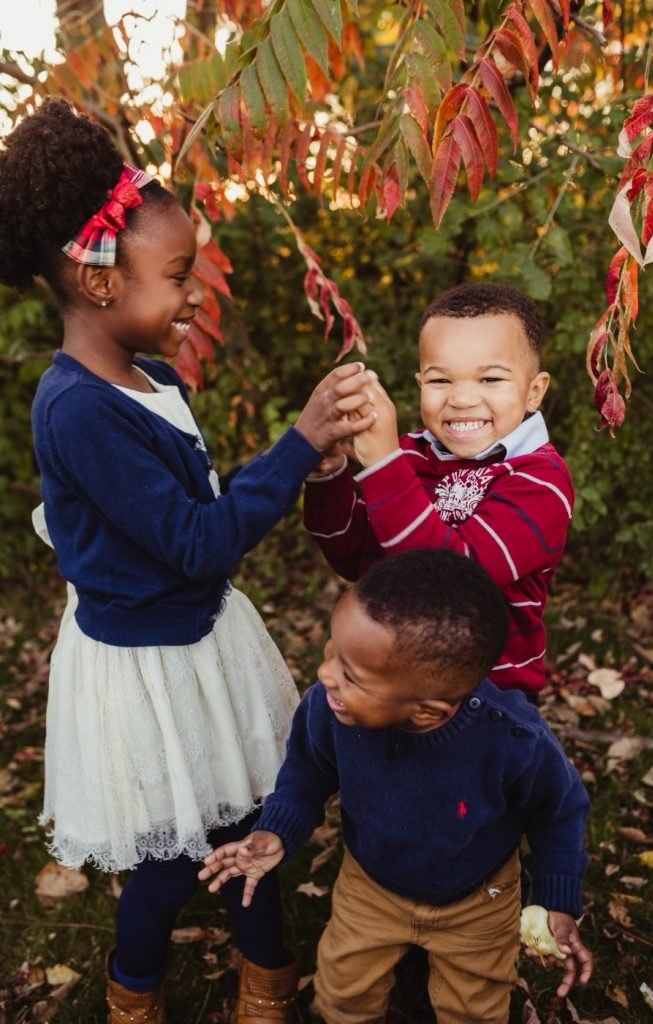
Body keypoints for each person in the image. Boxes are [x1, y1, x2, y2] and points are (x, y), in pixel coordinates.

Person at [0, 98, 379, 1024]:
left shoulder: (156, 378)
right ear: (98, 286)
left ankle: (268, 982)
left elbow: (196, 519)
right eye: (178, 275)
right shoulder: (77, 410)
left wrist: (309, 461)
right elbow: (196, 540)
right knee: (171, 862)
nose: (196, 294)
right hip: (146, 671)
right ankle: (134, 994)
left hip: (202, 643)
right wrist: (294, 448)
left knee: (250, 826)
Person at [199, 548, 593, 1024]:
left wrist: (556, 895)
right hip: (371, 885)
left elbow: (559, 810)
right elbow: (306, 772)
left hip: (479, 897)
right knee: (343, 991)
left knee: (474, 1008)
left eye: (350, 673)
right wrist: (277, 830)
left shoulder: (511, 739)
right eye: (331, 652)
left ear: (428, 711)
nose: (325, 675)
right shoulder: (329, 710)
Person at [303, 281, 574, 698]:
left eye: (490, 379)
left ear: (533, 390)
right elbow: (355, 558)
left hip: (485, 697)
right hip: (388, 684)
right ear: (419, 383)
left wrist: (382, 465)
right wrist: (329, 475)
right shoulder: (410, 454)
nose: (462, 398)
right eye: (441, 380)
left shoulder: (540, 482)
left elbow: (454, 583)